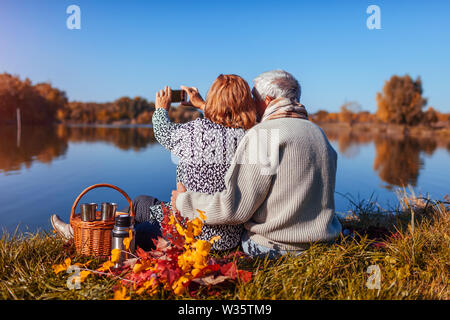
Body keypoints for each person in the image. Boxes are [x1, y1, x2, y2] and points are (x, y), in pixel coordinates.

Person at [51, 74, 258, 251]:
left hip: (191, 236)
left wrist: (161, 108)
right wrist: (202, 105)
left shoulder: (195, 131)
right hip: (227, 239)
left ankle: (80, 235)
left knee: (131, 235)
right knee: (141, 203)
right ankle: (96, 226)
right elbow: (227, 119)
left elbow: (162, 132)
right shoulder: (250, 137)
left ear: (214, 100)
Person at [170, 70, 342, 258]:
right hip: (324, 242)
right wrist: (207, 106)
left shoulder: (262, 135)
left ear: (267, 101)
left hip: (276, 248)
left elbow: (234, 209)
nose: (248, 103)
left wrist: (183, 201)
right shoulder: (317, 134)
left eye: (253, 97)